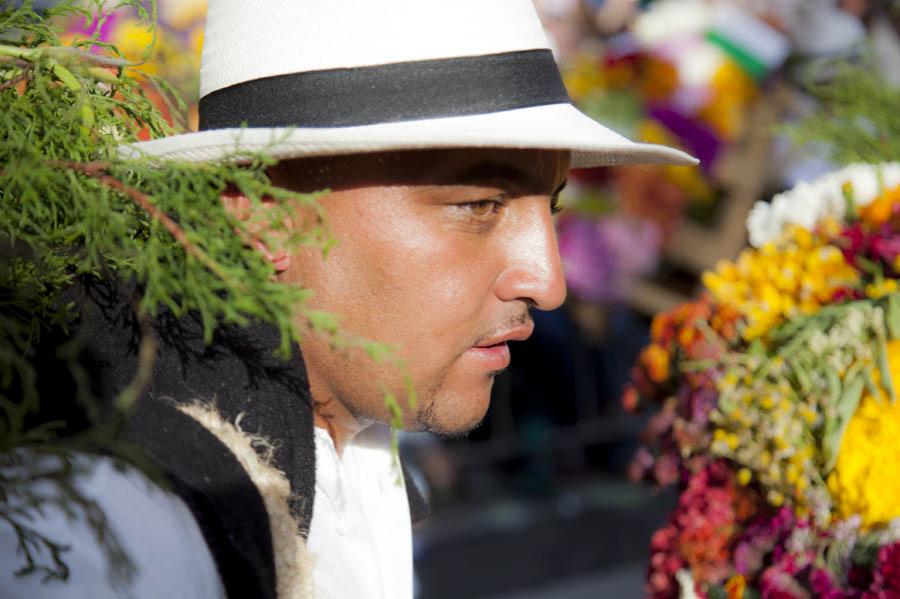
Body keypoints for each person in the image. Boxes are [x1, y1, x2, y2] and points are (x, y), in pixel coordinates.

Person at [0, 1, 694, 598]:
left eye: (554, 206)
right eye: (480, 204)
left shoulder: (350, 430)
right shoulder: (112, 529)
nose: (549, 281)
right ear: (262, 213)